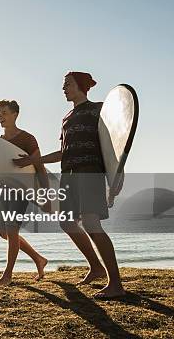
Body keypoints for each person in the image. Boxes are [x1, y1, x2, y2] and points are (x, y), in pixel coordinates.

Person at [13, 72, 125, 298]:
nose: (63, 88)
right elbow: (64, 153)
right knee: (66, 222)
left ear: (81, 86)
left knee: (92, 223)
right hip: (70, 176)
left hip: (90, 173)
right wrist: (34, 160)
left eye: (67, 84)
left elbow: (116, 143)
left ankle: (116, 284)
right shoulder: (67, 117)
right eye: (63, 85)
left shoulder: (98, 109)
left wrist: (115, 178)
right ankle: (96, 267)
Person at [0, 100, 49, 286]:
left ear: (15, 114)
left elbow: (40, 167)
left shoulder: (27, 139)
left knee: (12, 230)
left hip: (21, 191)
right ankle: (39, 259)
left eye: (4, 113)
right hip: (4, 191)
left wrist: (46, 195)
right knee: (5, 233)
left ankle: (7, 275)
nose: (0, 116)